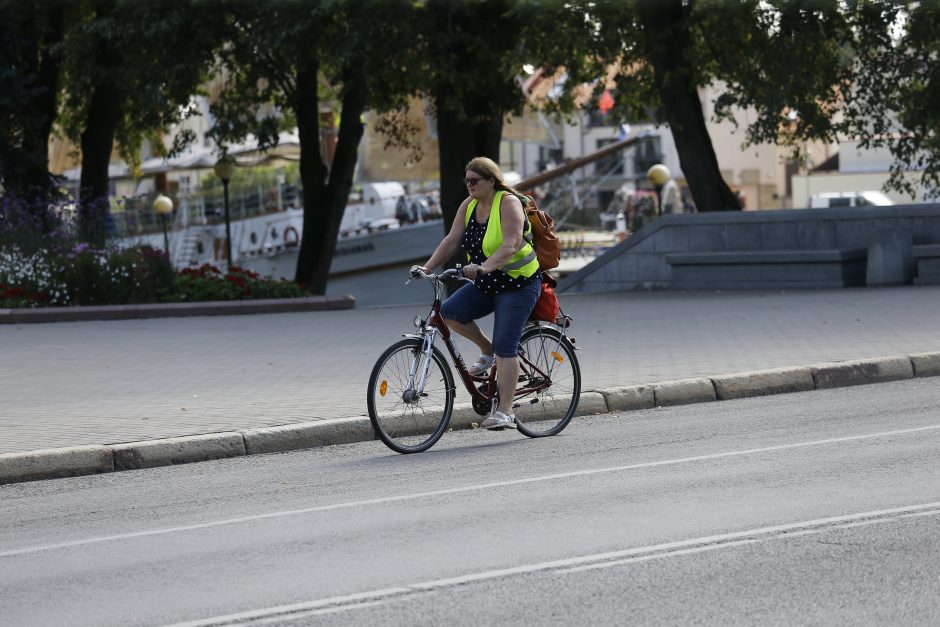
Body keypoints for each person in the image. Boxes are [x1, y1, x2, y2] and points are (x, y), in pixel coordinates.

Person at [411, 157, 541, 430]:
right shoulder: (469, 205)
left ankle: (505, 411)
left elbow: (512, 244)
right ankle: (487, 349)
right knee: (449, 313)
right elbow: (451, 240)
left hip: (518, 284)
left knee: (507, 346)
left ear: (491, 180)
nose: (469, 185)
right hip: (488, 282)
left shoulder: (508, 202)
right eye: (466, 181)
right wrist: (426, 268)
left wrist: (483, 267)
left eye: (474, 181)